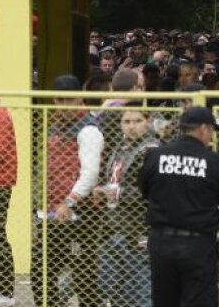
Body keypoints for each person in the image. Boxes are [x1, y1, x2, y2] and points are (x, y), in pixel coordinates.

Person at [138, 106, 219, 307]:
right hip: (198, 245)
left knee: (164, 301)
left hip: (162, 242)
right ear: (204, 129)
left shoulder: (156, 156)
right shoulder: (214, 162)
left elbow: (145, 191)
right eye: (211, 132)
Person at [31, 74, 104, 307]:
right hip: (53, 211)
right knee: (42, 272)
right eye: (59, 100)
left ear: (80, 100)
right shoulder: (55, 127)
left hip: (78, 214)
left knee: (83, 276)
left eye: (69, 100)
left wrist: (69, 201)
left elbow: (90, 173)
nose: (63, 105)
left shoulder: (88, 130)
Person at [94, 105, 159, 307]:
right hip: (113, 227)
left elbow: (155, 192)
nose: (131, 127)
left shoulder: (153, 150)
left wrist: (117, 192)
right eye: (127, 122)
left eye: (137, 121)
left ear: (148, 122)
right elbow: (114, 180)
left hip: (139, 230)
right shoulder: (120, 148)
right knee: (113, 291)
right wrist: (104, 189)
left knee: (140, 291)